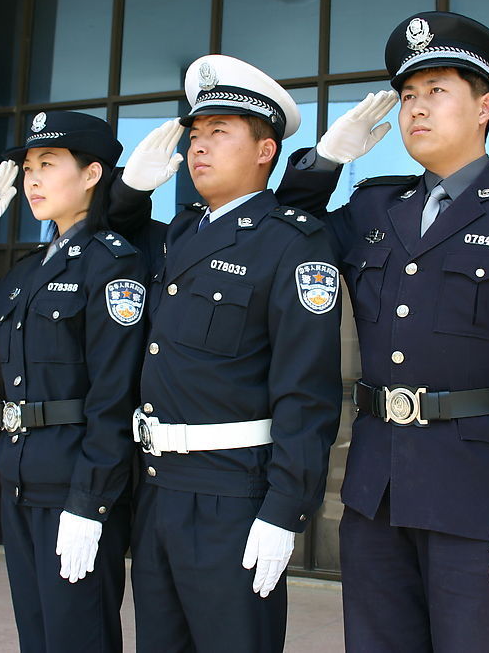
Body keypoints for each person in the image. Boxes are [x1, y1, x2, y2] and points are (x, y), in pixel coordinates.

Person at [277, 11, 489, 651]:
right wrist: (324, 160)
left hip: (480, 492)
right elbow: (288, 234)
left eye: (437, 92)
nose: (416, 110)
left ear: (486, 106)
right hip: (376, 494)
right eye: (408, 96)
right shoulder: (376, 206)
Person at [124, 54, 343, 653]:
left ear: (265, 150)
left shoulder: (292, 240)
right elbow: (108, 236)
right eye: (195, 135)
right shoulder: (181, 233)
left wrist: (285, 510)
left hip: (234, 497)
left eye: (220, 132)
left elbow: (307, 392)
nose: (200, 148)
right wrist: (128, 187)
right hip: (160, 486)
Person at [0, 110, 161, 652]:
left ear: (91, 174)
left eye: (48, 164)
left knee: (77, 637)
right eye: (28, 167)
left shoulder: (111, 264)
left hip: (74, 483)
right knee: (37, 636)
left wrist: (90, 502)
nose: (31, 179)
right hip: (19, 473)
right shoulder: (31, 269)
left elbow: (113, 395)